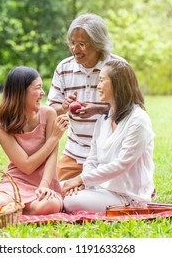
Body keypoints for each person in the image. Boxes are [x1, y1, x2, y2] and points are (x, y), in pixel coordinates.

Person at [62, 60, 155, 212]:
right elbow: (92, 158)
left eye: (101, 80)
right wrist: (83, 182)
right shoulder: (104, 119)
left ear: (117, 85)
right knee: (58, 187)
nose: (98, 86)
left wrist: (81, 179)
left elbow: (121, 164)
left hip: (126, 196)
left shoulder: (138, 120)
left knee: (71, 200)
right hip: (100, 189)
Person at [47, 13, 126, 181]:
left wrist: (97, 109)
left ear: (98, 44)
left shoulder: (118, 68)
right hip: (76, 152)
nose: (75, 49)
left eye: (82, 44)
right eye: (72, 43)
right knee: (54, 195)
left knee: (109, 201)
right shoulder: (64, 68)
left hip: (111, 153)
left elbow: (133, 109)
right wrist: (63, 107)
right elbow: (50, 110)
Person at [0, 66, 69, 215]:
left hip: (44, 182)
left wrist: (44, 185)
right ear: (21, 92)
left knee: (50, 205)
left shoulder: (49, 114)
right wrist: (54, 138)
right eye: (38, 88)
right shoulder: (3, 125)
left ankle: (17, 209)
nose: (43, 93)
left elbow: (52, 157)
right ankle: (18, 207)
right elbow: (26, 166)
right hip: (16, 182)